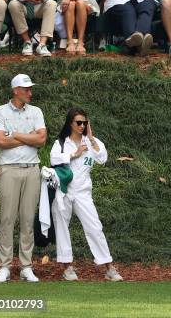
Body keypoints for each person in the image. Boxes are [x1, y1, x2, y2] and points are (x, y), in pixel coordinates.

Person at [49, 108, 123, 282]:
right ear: (70, 124)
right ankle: (67, 267)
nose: (82, 126)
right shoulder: (61, 142)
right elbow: (54, 160)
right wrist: (75, 154)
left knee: (95, 227)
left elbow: (102, 158)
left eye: (85, 122)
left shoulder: (92, 141)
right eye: (79, 123)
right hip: (64, 192)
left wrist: (90, 137)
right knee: (62, 228)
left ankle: (109, 267)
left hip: (83, 193)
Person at [0, 73, 47, 283]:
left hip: (32, 168)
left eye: (30, 89)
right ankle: (5, 266)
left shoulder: (36, 111)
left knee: (27, 220)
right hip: (8, 170)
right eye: (26, 89)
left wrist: (14, 135)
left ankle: (26, 267)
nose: (30, 92)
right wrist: (28, 138)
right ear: (15, 91)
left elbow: (41, 140)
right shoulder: (0, 111)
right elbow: (0, 142)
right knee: (7, 219)